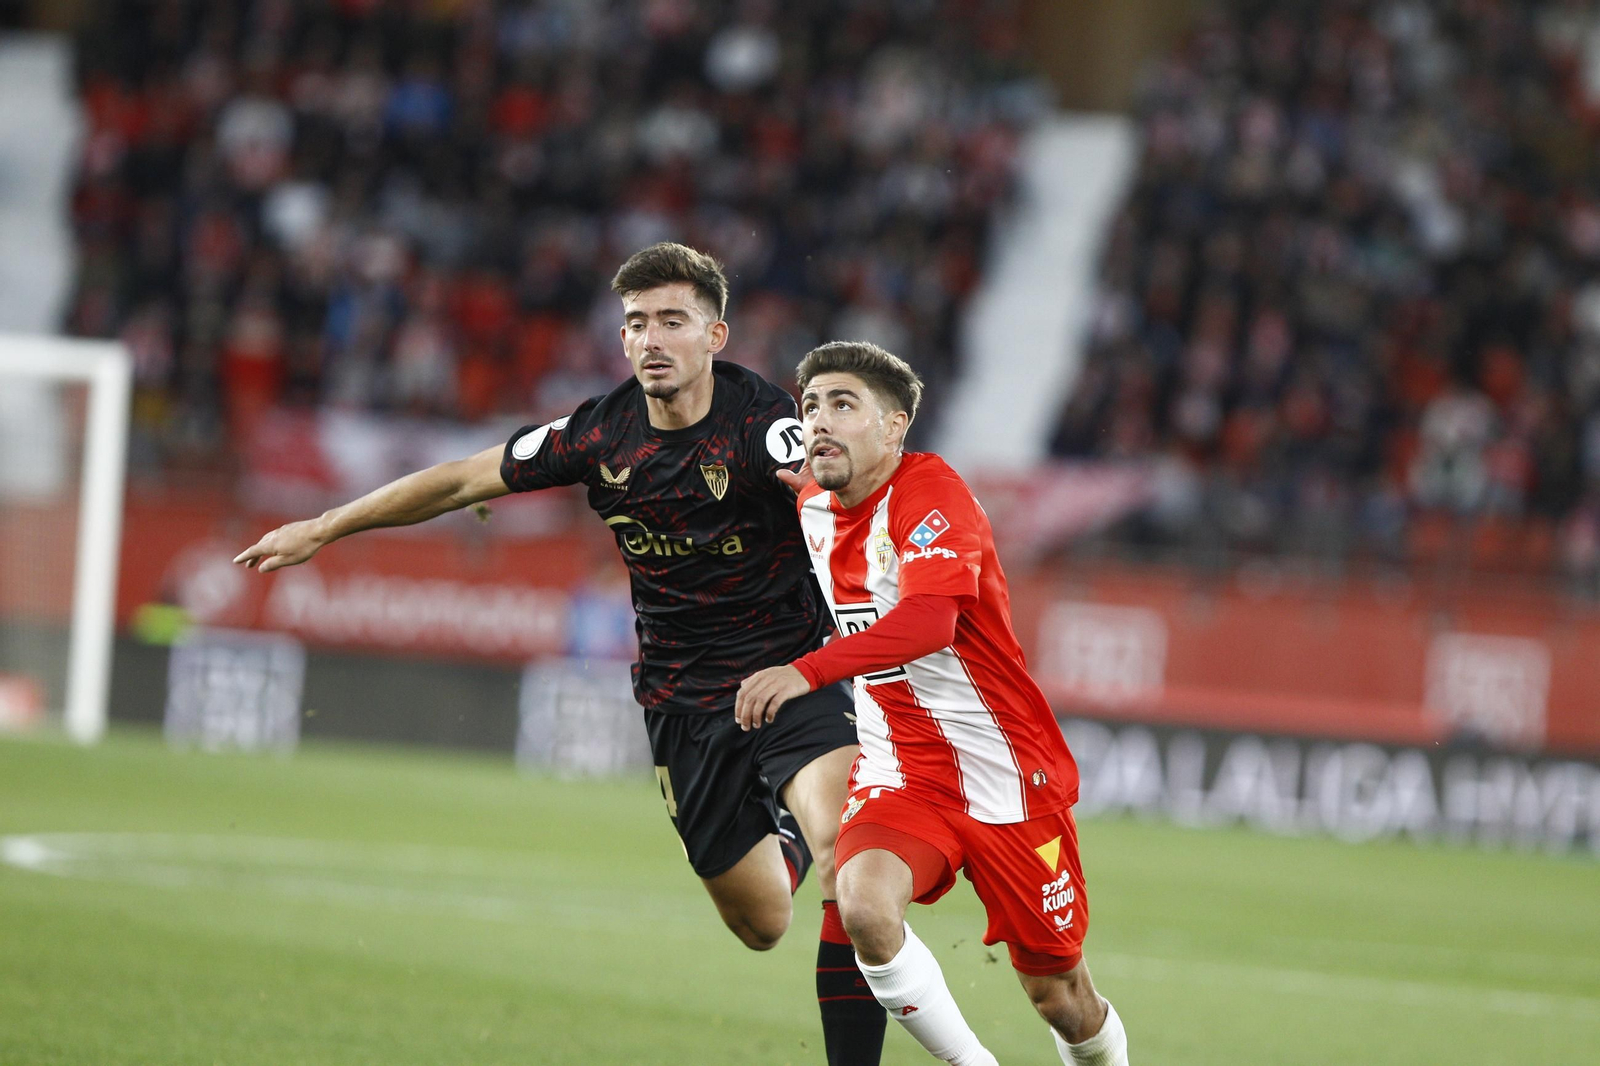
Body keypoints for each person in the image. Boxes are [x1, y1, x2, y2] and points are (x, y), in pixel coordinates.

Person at [234, 244, 887, 1064]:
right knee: (761, 922)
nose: (652, 339)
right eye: (636, 324)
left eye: (673, 322)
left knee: (847, 865)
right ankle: (781, 833)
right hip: (683, 703)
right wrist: (322, 527)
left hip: (794, 673)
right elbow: (464, 479)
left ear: (716, 335)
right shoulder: (597, 433)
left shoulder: (765, 426)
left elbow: (845, 487)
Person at [736, 341, 1131, 1065]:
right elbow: (773, 474)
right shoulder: (817, 504)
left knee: (1060, 996)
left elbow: (929, 624)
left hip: (1005, 775)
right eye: (812, 404)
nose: (820, 419)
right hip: (904, 772)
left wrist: (807, 671)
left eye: (843, 404)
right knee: (861, 904)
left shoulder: (932, 494)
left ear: (895, 428)